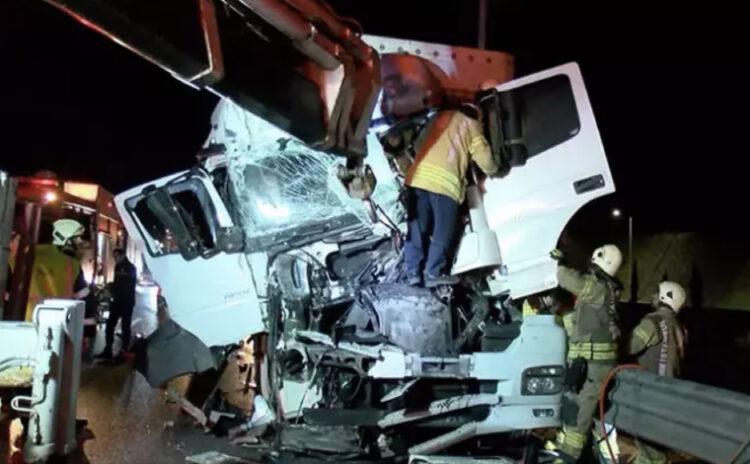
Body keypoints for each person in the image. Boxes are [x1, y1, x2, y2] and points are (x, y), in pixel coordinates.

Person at [403, 105, 499, 287]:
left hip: (418, 178)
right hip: (444, 184)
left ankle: (412, 273)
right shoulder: (472, 124)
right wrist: (495, 170)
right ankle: (433, 272)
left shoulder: (441, 116)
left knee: (417, 228)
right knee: (443, 230)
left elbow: (418, 144)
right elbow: (484, 158)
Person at [551, 244, 623, 463]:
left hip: (595, 366)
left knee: (580, 415)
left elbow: (566, 278)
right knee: (574, 409)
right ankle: (572, 452)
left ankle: (567, 458)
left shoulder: (598, 288)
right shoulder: (604, 288)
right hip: (588, 363)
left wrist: (559, 262)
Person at [627, 281, 687, 464]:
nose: (653, 296)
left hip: (649, 393)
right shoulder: (679, 327)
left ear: (664, 297)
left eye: (656, 293)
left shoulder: (653, 321)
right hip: (669, 393)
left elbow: (631, 346)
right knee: (650, 447)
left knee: (650, 450)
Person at [26, 219, 90, 320]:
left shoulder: (15, 262)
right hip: (59, 329)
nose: (81, 245)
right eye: (76, 241)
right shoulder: (72, 264)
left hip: (20, 330)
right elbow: (86, 305)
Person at [97, 248, 137, 359]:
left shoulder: (131, 268)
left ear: (122, 255)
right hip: (117, 301)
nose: (115, 259)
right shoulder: (117, 267)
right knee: (110, 324)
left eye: (116, 256)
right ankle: (108, 349)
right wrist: (111, 289)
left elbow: (129, 285)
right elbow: (117, 283)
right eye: (114, 257)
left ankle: (124, 350)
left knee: (125, 326)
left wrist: (116, 288)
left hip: (127, 301)